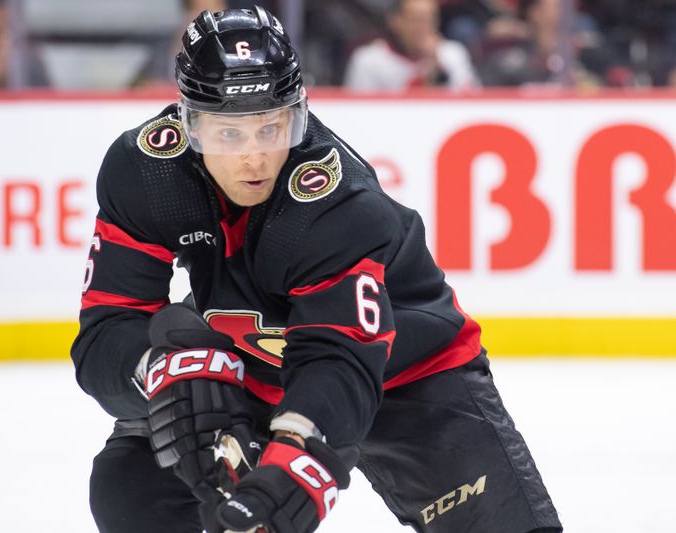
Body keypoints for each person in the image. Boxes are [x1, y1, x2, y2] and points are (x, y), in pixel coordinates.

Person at [72, 6, 561, 533]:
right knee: (131, 494)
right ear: (188, 121)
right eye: (228, 135)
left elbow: (339, 361)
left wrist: (296, 459)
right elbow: (104, 335)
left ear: (297, 115)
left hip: (408, 367)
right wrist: (162, 371)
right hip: (249, 365)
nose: (253, 159)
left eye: (270, 128)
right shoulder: (146, 173)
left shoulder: (338, 203)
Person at [344, 0, 479, 91]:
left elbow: (471, 100)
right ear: (395, 21)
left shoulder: (453, 53)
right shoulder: (369, 60)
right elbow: (359, 110)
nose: (424, 27)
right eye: (417, 20)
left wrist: (438, 68)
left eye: (430, 19)